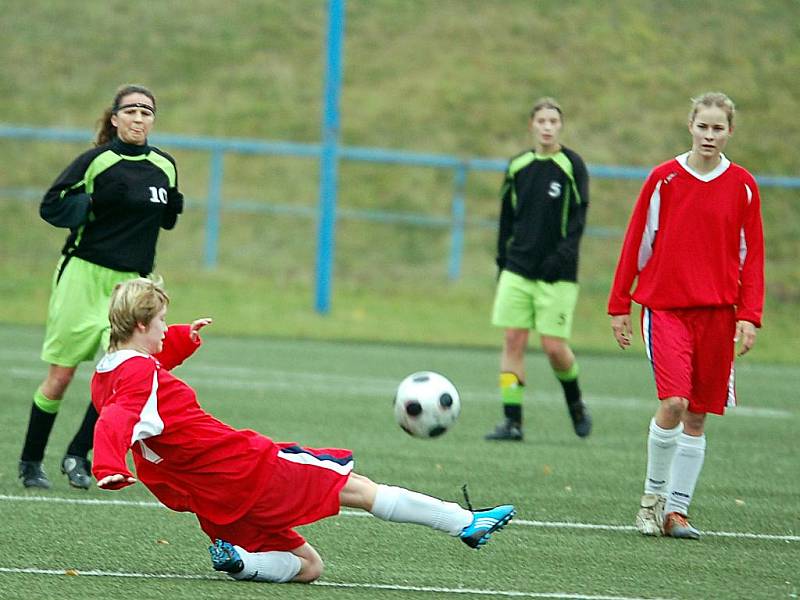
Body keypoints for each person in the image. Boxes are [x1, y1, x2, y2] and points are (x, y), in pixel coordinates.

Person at [91, 278, 515, 583]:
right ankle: (465, 522)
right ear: (142, 326)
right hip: (246, 468)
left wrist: (182, 339)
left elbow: (135, 394)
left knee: (309, 567)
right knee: (359, 488)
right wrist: (108, 465)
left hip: (213, 498)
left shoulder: (109, 373)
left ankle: (241, 561)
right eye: (164, 321)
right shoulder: (138, 379)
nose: (167, 326)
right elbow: (119, 417)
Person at [608, 92, 765, 539]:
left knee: (697, 415)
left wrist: (749, 314)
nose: (710, 135)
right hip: (667, 308)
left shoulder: (744, 186)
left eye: (718, 128)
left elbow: (751, 256)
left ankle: (677, 512)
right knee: (674, 402)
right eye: (703, 126)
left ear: (729, 131)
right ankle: (651, 502)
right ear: (690, 126)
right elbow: (637, 241)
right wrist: (620, 303)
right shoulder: (664, 180)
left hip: (718, 314)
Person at [18, 84, 184, 490]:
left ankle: (78, 454)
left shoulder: (165, 166)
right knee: (61, 376)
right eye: (130, 111)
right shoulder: (96, 161)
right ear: (115, 118)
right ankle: (30, 460)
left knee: (120, 375)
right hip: (84, 276)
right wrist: (88, 205)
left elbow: (168, 215)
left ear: (153, 120)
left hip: (131, 283)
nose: (139, 118)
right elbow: (52, 203)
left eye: (147, 112)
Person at [486, 97, 592, 441]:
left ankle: (576, 404)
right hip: (518, 268)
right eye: (541, 121)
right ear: (531, 125)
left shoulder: (571, 165)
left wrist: (560, 258)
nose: (547, 127)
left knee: (553, 348)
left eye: (553, 121)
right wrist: (503, 260)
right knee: (513, 339)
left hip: (556, 274)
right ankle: (512, 421)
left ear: (560, 126)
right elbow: (506, 217)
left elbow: (578, 220)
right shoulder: (518, 166)